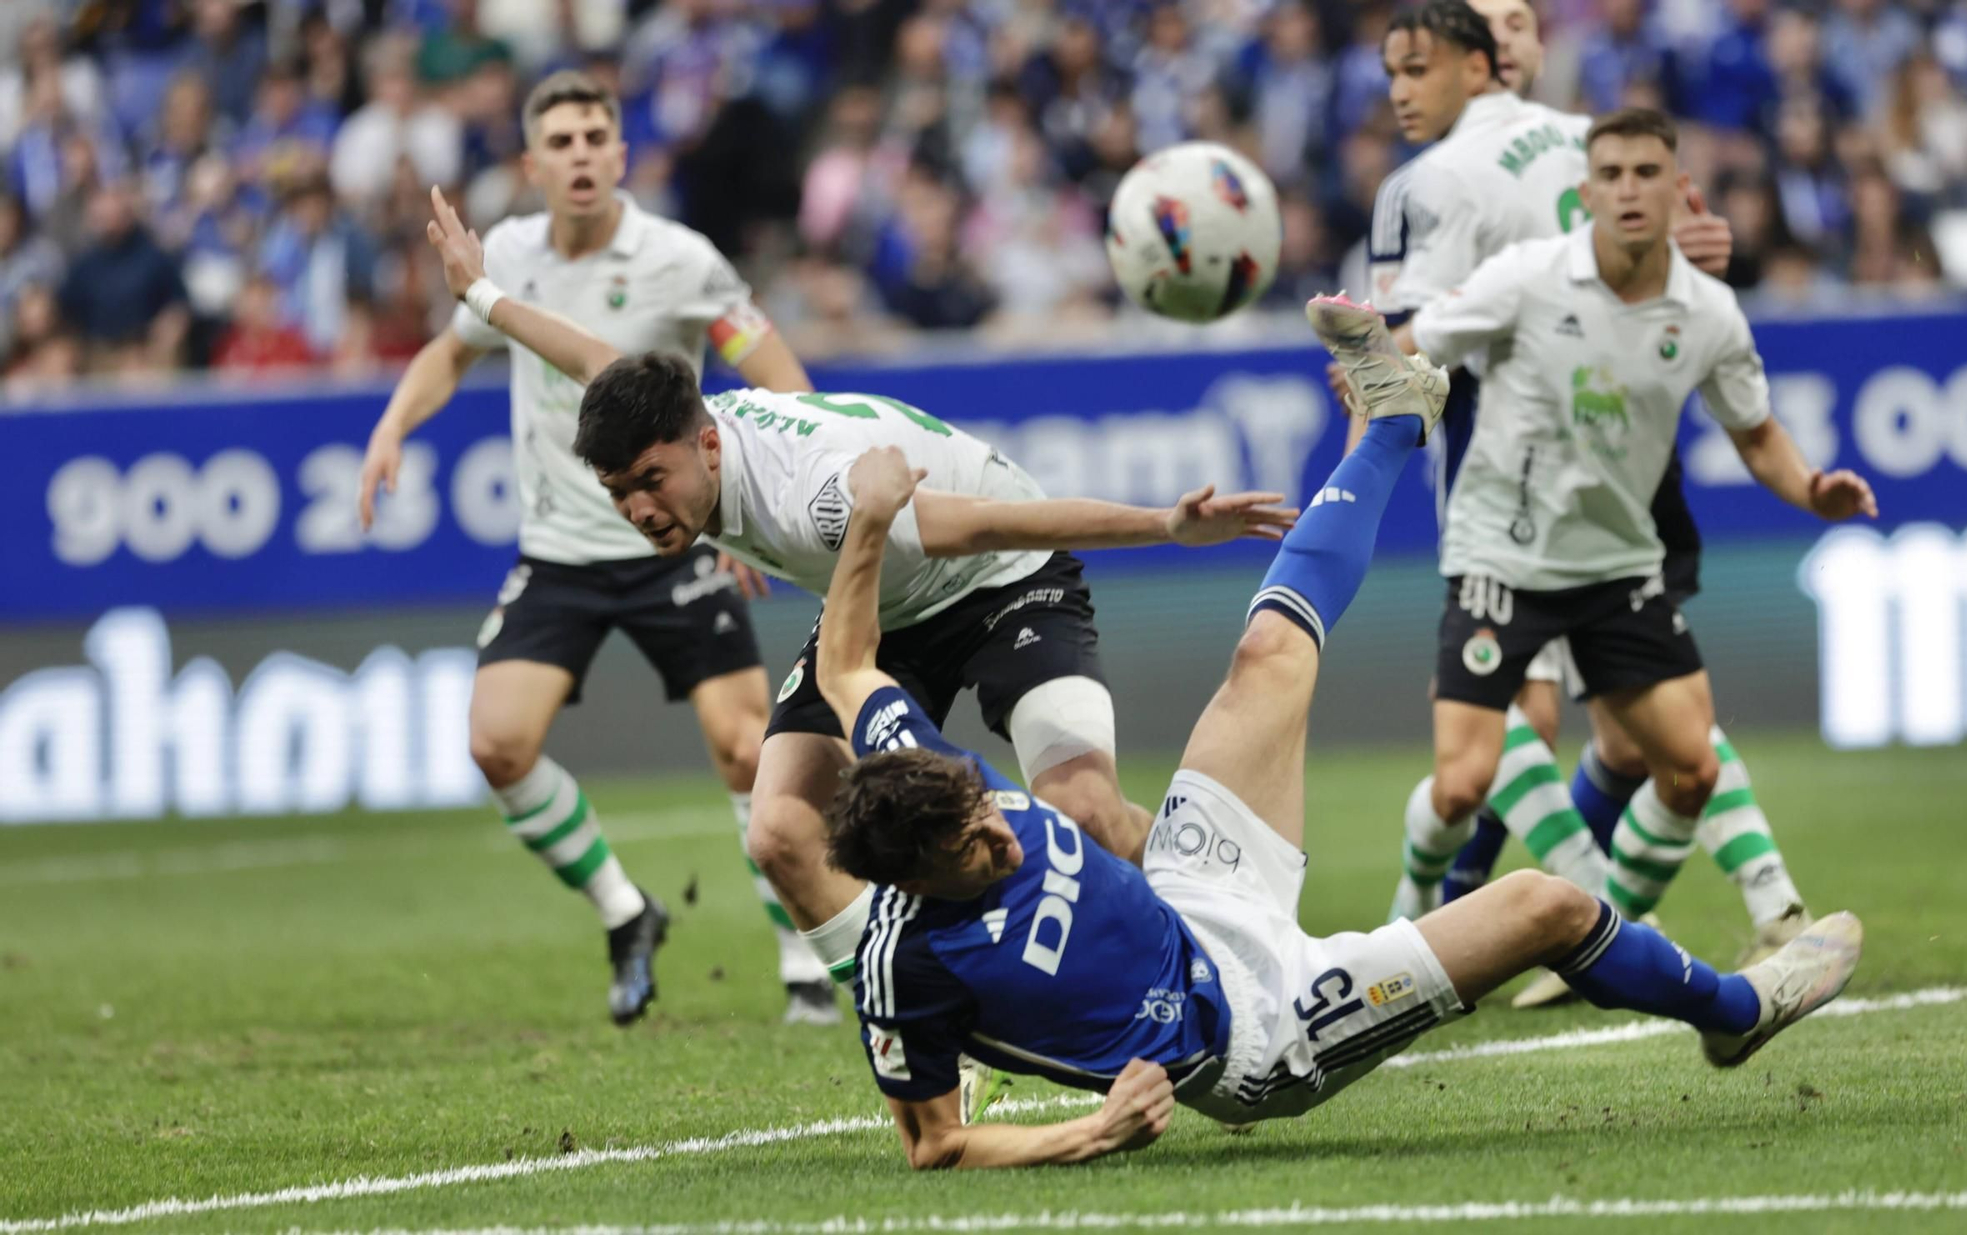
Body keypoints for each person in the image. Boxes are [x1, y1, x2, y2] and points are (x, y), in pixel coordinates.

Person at [816, 294, 1862, 1169]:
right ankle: (1735, 1009)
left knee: (1264, 656)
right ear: (911, 877)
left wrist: (867, 518)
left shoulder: (928, 775)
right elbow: (935, 1145)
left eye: (981, 813)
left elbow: (847, 665)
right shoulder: (902, 963)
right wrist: (1090, 1128)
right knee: (1543, 902)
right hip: (1256, 1033)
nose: (1000, 832)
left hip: (1195, 894)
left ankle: (1395, 420)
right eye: (972, 849)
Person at [419, 182, 1298, 1047]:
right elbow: (588, 357)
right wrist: (482, 293)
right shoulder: (672, 418)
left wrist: (1165, 526)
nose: (641, 508)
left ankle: (1232, 924)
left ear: (708, 445)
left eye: (653, 482)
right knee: (780, 832)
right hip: (888, 597)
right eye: (621, 492)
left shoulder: (819, 496)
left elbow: (991, 523)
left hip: (1004, 581)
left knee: (1087, 815)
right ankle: (926, 1036)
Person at [1345, 106, 1879, 1002]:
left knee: (1690, 766)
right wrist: (1368, 360)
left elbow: (1757, 437)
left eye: (1647, 173)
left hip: (1618, 566)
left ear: (1679, 188)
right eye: (1613, 175)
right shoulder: (1528, 276)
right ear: (1585, 191)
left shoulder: (1708, 313)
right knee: (1462, 783)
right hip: (1501, 559)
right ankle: (1406, 918)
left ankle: (1609, 933)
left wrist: (1811, 487)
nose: (1630, 190)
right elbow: (1415, 345)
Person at [359, 71, 824, 1028]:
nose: (579, 154)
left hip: (677, 545)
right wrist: (394, 422)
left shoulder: (682, 260)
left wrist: (755, 495)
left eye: (595, 137)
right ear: (532, 165)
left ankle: (805, 964)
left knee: (746, 747)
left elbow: (776, 375)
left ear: (621, 155)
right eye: (560, 141)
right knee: (496, 742)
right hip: (561, 551)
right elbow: (451, 350)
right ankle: (627, 912)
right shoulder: (510, 256)